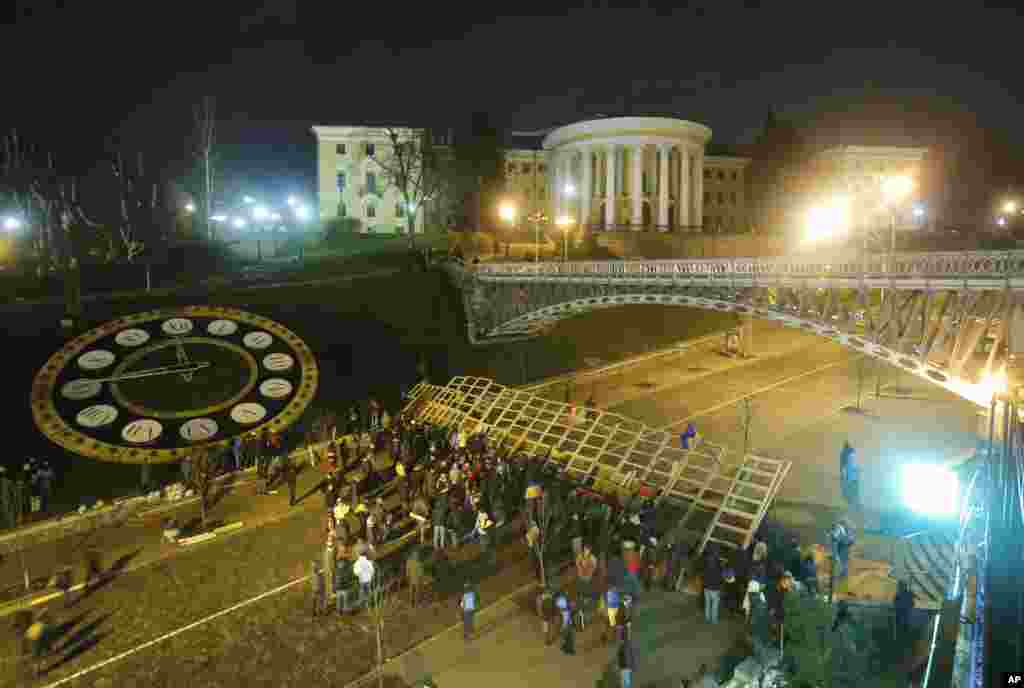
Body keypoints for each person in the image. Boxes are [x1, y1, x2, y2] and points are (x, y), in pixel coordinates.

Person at [829, 518, 855, 583]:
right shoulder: (840, 529)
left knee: (842, 565)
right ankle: (838, 579)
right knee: (840, 565)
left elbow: (851, 540)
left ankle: (841, 578)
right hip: (841, 549)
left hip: (843, 549)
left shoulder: (845, 530)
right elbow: (835, 540)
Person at [703, 542, 723, 624]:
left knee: (707, 604)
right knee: (715, 605)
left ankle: (707, 618)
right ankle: (714, 619)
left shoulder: (706, 561)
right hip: (715, 587)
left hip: (706, 586)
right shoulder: (719, 564)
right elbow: (720, 576)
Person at [555, 590, 575, 655]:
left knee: (570, 635)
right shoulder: (560, 600)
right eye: (565, 593)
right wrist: (568, 607)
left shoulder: (568, 600)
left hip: (569, 619)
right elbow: (559, 609)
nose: (567, 594)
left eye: (567, 594)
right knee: (564, 635)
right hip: (563, 620)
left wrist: (571, 607)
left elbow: (572, 608)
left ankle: (570, 649)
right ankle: (564, 648)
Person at [618, 618, 636, 688]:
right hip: (625, 665)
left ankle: (624, 626)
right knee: (626, 642)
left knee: (625, 643)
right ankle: (625, 626)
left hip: (625, 665)